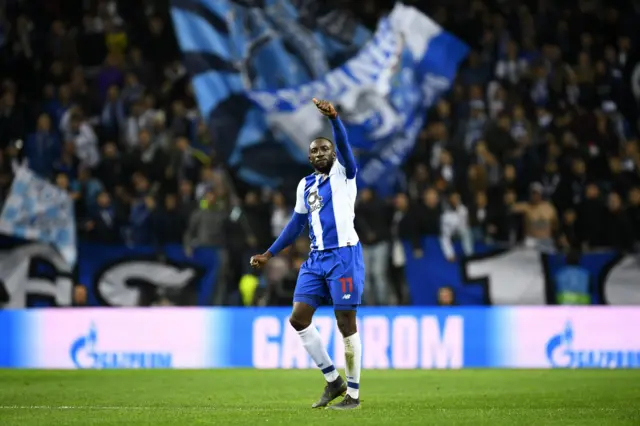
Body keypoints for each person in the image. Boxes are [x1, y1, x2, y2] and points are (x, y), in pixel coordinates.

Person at [250, 98, 363, 410]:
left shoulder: (345, 173)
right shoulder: (305, 186)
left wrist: (335, 119)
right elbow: (296, 224)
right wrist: (269, 253)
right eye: (313, 150)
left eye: (323, 149)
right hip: (316, 260)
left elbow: (344, 144)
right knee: (298, 319)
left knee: (345, 322)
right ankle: (333, 381)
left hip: (344, 256)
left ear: (333, 153)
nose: (318, 153)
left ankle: (353, 393)